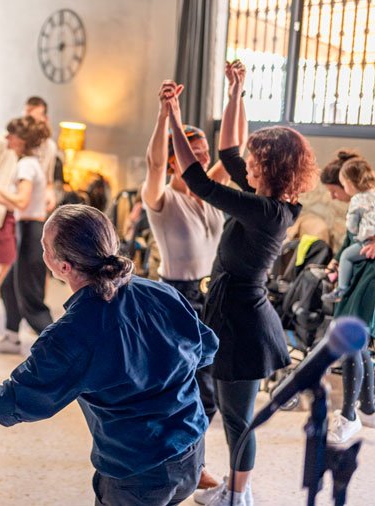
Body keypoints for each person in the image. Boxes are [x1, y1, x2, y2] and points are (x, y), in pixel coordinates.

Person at [0, 204, 218, 506]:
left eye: (44, 247)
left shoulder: (71, 335)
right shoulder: (160, 291)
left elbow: (10, 403)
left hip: (138, 473)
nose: (41, 251)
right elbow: (205, 349)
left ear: (62, 266)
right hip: (192, 451)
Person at [167, 69, 318, 506]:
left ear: (269, 167)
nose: (246, 164)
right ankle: (235, 488)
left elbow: (198, 180)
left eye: (255, 160)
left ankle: (237, 495)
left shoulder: (266, 211)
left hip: (243, 324)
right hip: (233, 314)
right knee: (232, 413)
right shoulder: (268, 201)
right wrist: (236, 93)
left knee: (238, 420)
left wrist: (174, 115)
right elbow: (228, 150)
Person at [143, 67, 247, 490]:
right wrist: (166, 114)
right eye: (194, 153)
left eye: (204, 153)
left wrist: (236, 93)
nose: (202, 159)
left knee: (206, 391)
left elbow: (234, 152)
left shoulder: (208, 193)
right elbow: (153, 162)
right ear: (176, 158)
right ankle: (188, 465)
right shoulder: (161, 199)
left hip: (212, 295)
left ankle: (189, 461)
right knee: (188, 389)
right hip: (178, 297)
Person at [0, 116, 53, 353]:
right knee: (8, 286)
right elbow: (19, 204)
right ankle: (11, 337)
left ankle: (61, 350)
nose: (6, 139)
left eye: (11, 135)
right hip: (27, 230)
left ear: (22, 140)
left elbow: (21, 201)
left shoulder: (26, 165)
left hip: (31, 233)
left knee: (31, 301)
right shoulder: (31, 163)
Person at [319, 151, 375, 443]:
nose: (333, 196)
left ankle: (349, 415)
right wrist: (335, 265)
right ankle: (368, 407)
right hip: (359, 277)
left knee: (353, 339)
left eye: (335, 189)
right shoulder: (359, 205)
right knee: (357, 342)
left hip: (371, 277)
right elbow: (348, 244)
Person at [321, 158, 375, 303]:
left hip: (366, 247)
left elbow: (352, 228)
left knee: (346, 256)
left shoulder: (357, 200)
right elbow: (348, 239)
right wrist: (335, 260)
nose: (332, 197)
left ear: (349, 184)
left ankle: (341, 289)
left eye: (335, 190)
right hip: (365, 246)